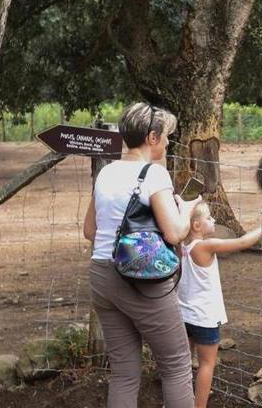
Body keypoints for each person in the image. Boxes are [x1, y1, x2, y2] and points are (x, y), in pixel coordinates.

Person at [83, 102, 198, 408]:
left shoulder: (106, 172)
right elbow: (175, 233)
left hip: (102, 275)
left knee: (123, 372)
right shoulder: (154, 175)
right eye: (166, 135)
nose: (168, 142)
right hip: (140, 280)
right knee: (176, 365)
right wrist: (186, 211)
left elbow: (90, 230)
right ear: (152, 137)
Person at [178, 201, 262, 408]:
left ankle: (179, 402)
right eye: (208, 217)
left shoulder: (181, 246)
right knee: (206, 365)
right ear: (196, 225)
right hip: (204, 318)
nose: (213, 219)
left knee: (182, 364)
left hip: (184, 316)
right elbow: (242, 242)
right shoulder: (206, 246)